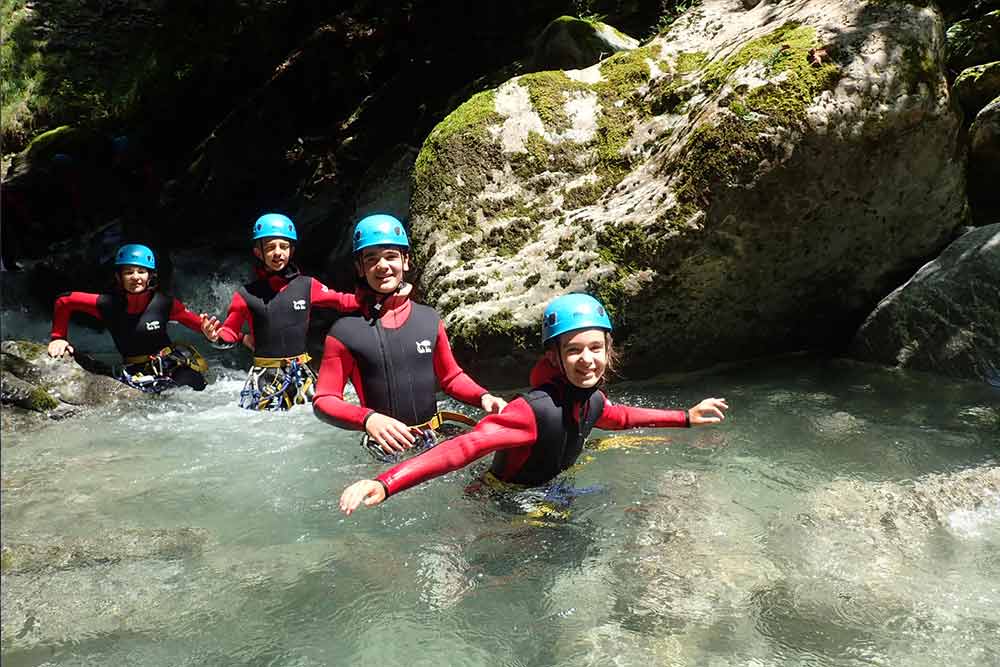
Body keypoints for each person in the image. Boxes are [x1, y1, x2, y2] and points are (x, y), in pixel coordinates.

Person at [339, 293, 729, 514]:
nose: (587, 360)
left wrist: (685, 417)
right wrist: (385, 483)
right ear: (554, 358)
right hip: (502, 507)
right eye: (573, 350)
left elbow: (622, 417)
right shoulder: (531, 411)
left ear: (610, 351)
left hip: (551, 493)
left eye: (596, 348)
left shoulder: (592, 401)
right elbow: (464, 447)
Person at [312, 213, 507, 458]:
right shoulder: (345, 332)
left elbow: (451, 377)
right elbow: (324, 400)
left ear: (405, 261)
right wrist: (368, 419)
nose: (382, 266)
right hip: (385, 450)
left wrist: (484, 397)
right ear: (360, 268)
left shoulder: (429, 319)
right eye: (371, 259)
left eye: (391, 256)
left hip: (434, 440)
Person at [202, 213, 361, 410]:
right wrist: (215, 336)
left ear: (291, 250)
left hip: (302, 374)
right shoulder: (246, 295)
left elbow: (342, 301)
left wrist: (376, 299)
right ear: (258, 253)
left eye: (283, 247)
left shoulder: (307, 286)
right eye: (270, 247)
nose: (278, 253)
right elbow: (230, 332)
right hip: (265, 377)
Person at [47, 243, 213, 392]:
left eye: (141, 271)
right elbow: (65, 300)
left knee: (197, 389)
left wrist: (209, 332)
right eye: (128, 272)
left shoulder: (164, 303)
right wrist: (59, 337)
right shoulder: (106, 304)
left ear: (150, 277)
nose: (135, 277)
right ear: (119, 277)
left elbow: (203, 326)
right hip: (135, 373)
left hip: (173, 368)